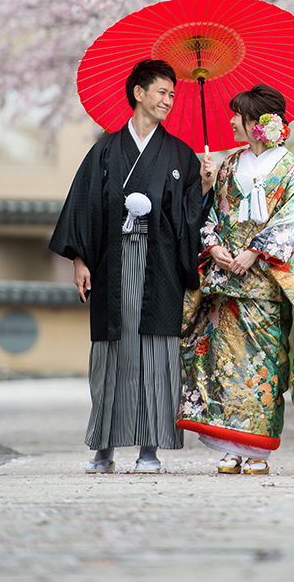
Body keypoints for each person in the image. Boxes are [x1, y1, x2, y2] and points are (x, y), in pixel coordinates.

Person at [49, 59, 215, 474]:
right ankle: (103, 447)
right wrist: (81, 260)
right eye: (161, 92)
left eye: (173, 94)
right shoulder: (105, 149)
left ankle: (149, 449)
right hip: (112, 263)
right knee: (111, 354)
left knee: (156, 355)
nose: (168, 101)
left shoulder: (180, 154)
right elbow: (85, 206)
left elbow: (192, 216)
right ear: (138, 93)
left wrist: (206, 185)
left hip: (160, 264)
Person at [177, 83, 294, 475]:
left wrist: (254, 250)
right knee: (226, 363)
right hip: (227, 281)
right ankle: (230, 445)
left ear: (256, 122)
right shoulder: (228, 166)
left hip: (266, 283)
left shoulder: (288, 165)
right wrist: (214, 246)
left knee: (265, 364)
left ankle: (258, 451)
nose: (230, 122)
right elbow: (212, 217)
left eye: (236, 116)